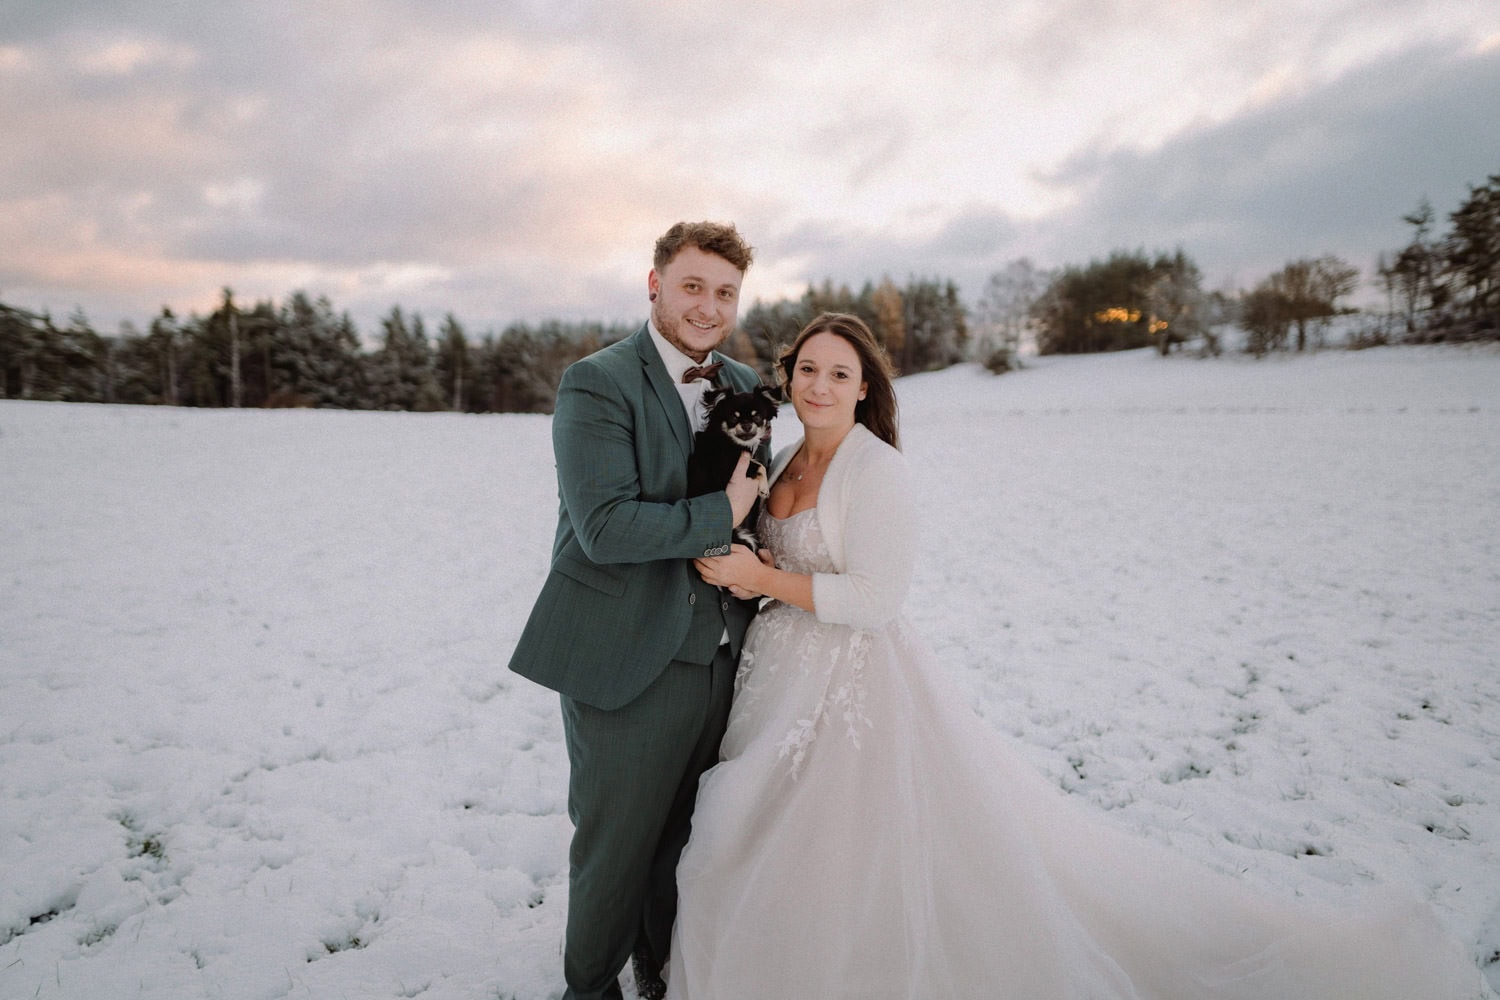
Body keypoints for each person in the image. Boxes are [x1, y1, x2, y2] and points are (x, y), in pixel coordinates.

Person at [671, 312, 1491, 998]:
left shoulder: (876, 470)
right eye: (806, 368)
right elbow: (776, 555)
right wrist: (753, 578)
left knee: (845, 853)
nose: (819, 384)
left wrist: (767, 580)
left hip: (852, 691)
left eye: (839, 373)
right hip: (776, 678)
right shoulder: (779, 459)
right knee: (753, 841)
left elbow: (880, 599)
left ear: (865, 388)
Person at [508, 221, 770, 1000]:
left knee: (688, 840)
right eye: (693, 286)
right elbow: (606, 526)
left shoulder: (744, 377)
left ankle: (663, 970)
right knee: (616, 844)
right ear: (654, 284)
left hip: (721, 649)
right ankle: (589, 987)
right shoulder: (597, 381)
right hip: (623, 651)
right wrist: (719, 514)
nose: (708, 306)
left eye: (725, 292)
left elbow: (757, 495)